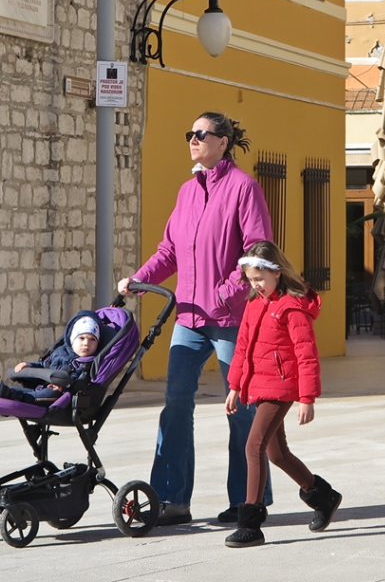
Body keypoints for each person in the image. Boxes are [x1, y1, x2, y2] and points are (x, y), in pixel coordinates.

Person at [117, 112, 273, 526]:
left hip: (232, 318)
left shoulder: (244, 188)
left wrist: (224, 293)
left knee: (241, 408)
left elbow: (257, 253)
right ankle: (172, 499)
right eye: (190, 133)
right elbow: (169, 251)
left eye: (201, 134)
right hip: (188, 317)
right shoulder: (187, 191)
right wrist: (139, 279)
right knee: (175, 403)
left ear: (223, 142)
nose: (193, 139)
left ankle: (249, 499)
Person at [224, 241, 342, 548]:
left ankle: (250, 523)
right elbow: (242, 348)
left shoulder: (292, 307)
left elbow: (306, 354)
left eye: (260, 278)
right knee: (276, 453)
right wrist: (234, 386)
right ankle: (323, 497)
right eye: (251, 279)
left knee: (253, 446)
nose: (255, 285)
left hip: (282, 386)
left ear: (277, 272)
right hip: (259, 386)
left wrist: (307, 398)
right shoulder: (254, 304)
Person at [0, 312, 102, 436]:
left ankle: (7, 398)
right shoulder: (60, 353)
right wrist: (29, 365)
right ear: (72, 340)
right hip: (42, 389)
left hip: (61, 398)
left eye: (92, 340)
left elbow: (83, 382)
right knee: (6, 395)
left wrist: (66, 386)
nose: (86, 343)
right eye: (81, 338)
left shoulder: (88, 363)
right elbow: (44, 365)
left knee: (39, 394)